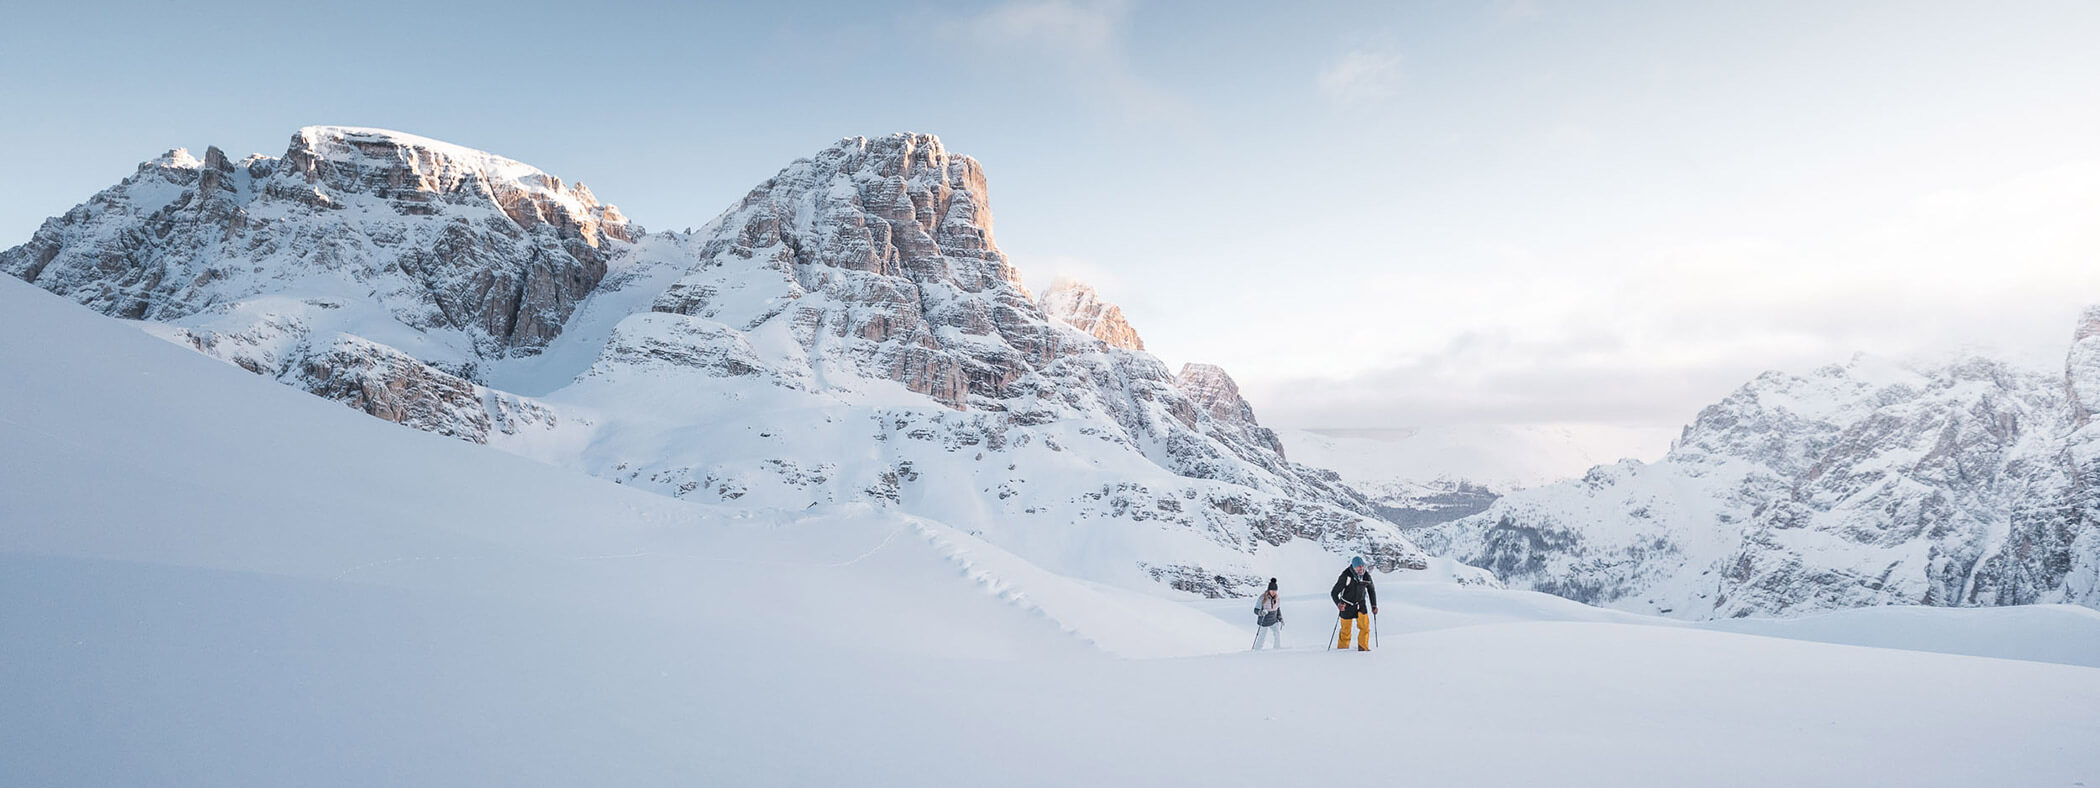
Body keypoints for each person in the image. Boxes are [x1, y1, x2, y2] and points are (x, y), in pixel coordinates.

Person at [1331, 556, 1378, 651]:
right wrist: (1339, 604)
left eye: (1362, 566)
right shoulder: (1345, 576)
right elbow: (1334, 592)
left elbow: (1371, 590)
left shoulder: (1366, 575)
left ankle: (1363, 648)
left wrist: (1374, 605)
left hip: (1360, 604)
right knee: (1345, 630)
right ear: (1353, 567)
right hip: (1346, 605)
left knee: (1365, 627)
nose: (1361, 568)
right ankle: (1342, 650)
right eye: (1359, 567)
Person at [1251, 578, 1284, 650]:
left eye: (1275, 591)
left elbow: (1278, 609)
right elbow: (1255, 610)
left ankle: (1277, 648)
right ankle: (1257, 650)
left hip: (1274, 621)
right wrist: (1261, 612)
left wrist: (1280, 618)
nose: (1273, 592)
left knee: (1277, 634)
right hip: (1264, 621)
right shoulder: (1262, 598)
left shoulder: (1277, 598)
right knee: (1261, 637)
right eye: (1272, 590)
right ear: (1268, 590)